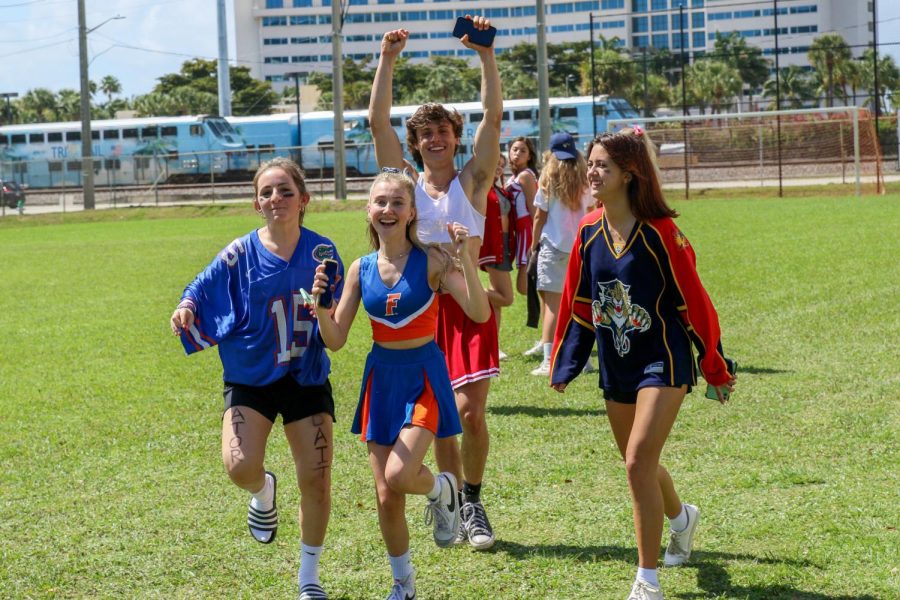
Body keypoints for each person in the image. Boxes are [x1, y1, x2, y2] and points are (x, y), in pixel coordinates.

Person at [549, 127, 737, 600]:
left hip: (662, 359)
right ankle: (681, 518)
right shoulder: (588, 230)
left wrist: (713, 364)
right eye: (590, 163)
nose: (592, 171)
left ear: (630, 175)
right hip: (617, 365)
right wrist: (565, 363)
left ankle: (646, 581)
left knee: (636, 462)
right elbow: (580, 301)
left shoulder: (661, 233)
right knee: (640, 464)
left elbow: (694, 303)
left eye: (602, 165)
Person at [313, 171, 490, 599]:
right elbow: (335, 340)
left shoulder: (431, 260)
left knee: (399, 473)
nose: (387, 210)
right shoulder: (360, 269)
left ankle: (444, 489)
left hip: (423, 376)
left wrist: (465, 256)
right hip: (382, 379)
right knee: (386, 495)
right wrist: (321, 307)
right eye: (380, 202)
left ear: (412, 212)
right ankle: (403, 584)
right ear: (368, 210)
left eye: (397, 203)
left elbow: (479, 312)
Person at [169, 157, 341, 600]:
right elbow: (199, 285)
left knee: (317, 478)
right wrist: (187, 305)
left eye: (285, 191)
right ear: (255, 203)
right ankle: (264, 491)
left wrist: (324, 303)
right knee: (239, 466)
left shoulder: (324, 253)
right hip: (251, 374)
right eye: (266, 192)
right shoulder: (240, 252)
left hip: (305, 374)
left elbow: (335, 316)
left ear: (304, 199)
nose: (275, 199)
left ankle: (309, 579)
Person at [369, 15, 503, 550]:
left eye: (443, 130)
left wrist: (485, 54)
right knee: (445, 420)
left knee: (470, 415)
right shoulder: (403, 184)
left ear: (454, 136)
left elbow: (493, 116)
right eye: (425, 133)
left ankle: (472, 501)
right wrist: (387, 58)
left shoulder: (473, 180)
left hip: (468, 302)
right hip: (420, 309)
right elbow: (378, 124)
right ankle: (452, 502)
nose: (435, 138)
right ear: (417, 142)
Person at [530, 132, 593, 377]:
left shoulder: (547, 179)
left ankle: (549, 360)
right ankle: (584, 358)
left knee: (552, 307)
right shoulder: (585, 179)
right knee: (579, 305)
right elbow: (590, 211)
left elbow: (539, 216)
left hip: (553, 247)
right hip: (580, 247)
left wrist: (533, 246)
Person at [506, 137, 543, 353]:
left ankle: (551, 330)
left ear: (530, 155)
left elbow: (534, 209)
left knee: (526, 285)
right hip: (517, 232)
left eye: (522, 150)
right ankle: (548, 333)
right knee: (526, 286)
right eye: (514, 149)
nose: (517, 153)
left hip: (527, 230)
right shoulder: (514, 176)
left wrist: (534, 240)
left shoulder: (526, 176)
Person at [480, 154, 515, 360]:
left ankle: (493, 346)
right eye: (496, 165)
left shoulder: (499, 190)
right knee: (506, 298)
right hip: (492, 246)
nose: (499, 169)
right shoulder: (482, 190)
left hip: (504, 245)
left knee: (497, 301)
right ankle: (472, 291)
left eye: (502, 166)